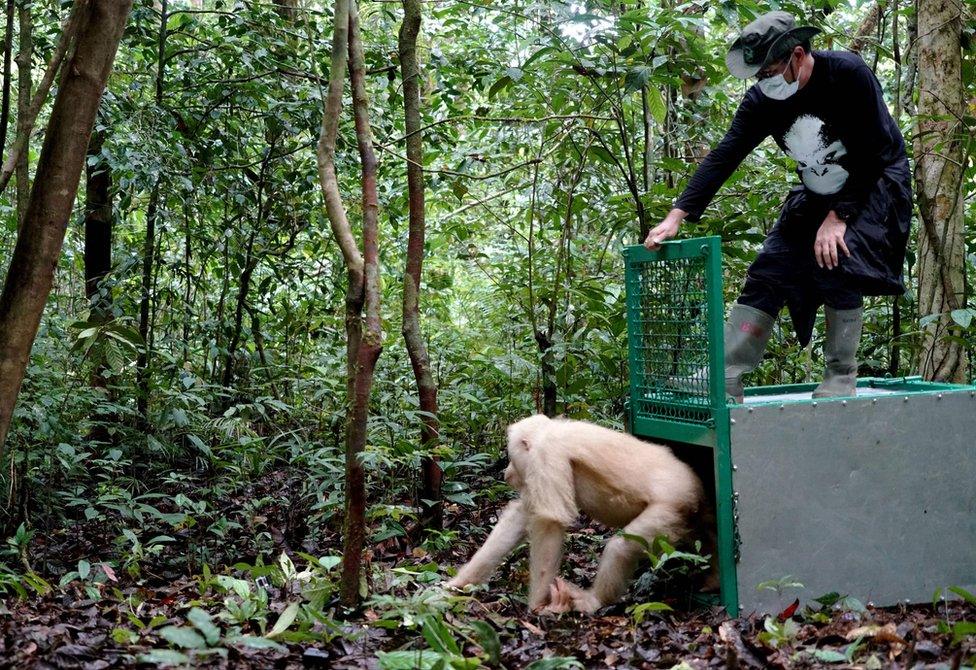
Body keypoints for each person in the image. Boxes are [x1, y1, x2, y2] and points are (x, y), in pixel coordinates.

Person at [645, 10, 911, 402]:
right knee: (772, 265)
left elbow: (877, 150)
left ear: (799, 56)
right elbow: (725, 154)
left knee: (839, 257)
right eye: (757, 76)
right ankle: (727, 374)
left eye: (769, 72)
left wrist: (839, 217)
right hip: (818, 190)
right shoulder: (762, 101)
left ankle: (841, 374)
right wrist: (676, 215)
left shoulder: (846, 74)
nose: (763, 82)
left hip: (874, 182)